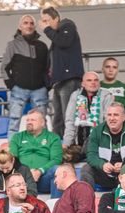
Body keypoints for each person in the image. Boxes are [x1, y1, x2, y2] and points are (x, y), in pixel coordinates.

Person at [1, 14, 49, 139]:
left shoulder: (42, 46)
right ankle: (12, 148)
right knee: (14, 120)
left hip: (39, 89)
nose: (29, 25)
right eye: (25, 23)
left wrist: (47, 85)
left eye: (31, 23)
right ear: (20, 27)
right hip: (19, 89)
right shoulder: (12, 45)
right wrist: (11, 85)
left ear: (35, 27)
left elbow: (48, 68)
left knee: (42, 121)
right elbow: (4, 67)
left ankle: (44, 147)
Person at [40, 6, 84, 137]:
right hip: (59, 82)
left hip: (69, 80)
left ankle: (72, 145)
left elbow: (64, 42)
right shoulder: (56, 39)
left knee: (68, 117)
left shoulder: (68, 26)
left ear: (56, 18)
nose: (44, 24)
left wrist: (47, 30)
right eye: (43, 21)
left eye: (47, 20)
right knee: (58, 119)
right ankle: (58, 145)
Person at [82, 102, 125, 190]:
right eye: (109, 115)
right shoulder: (97, 131)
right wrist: (102, 164)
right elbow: (91, 155)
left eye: (116, 115)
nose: (112, 118)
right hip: (105, 175)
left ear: (124, 117)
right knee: (86, 169)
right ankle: (86, 196)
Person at [9, 109, 62, 197]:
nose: (29, 122)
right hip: (22, 179)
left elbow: (56, 159)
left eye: (33, 120)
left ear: (42, 123)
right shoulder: (17, 137)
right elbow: (12, 159)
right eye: (27, 120)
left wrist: (40, 171)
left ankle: (56, 204)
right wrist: (27, 172)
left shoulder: (53, 137)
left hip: (43, 179)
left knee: (57, 170)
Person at [62, 71, 113, 160]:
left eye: (96, 80)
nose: (93, 83)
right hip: (78, 142)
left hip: (99, 142)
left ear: (99, 83)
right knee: (64, 156)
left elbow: (108, 122)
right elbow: (70, 121)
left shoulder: (107, 96)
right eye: (89, 80)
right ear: (83, 84)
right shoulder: (75, 95)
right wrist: (66, 144)